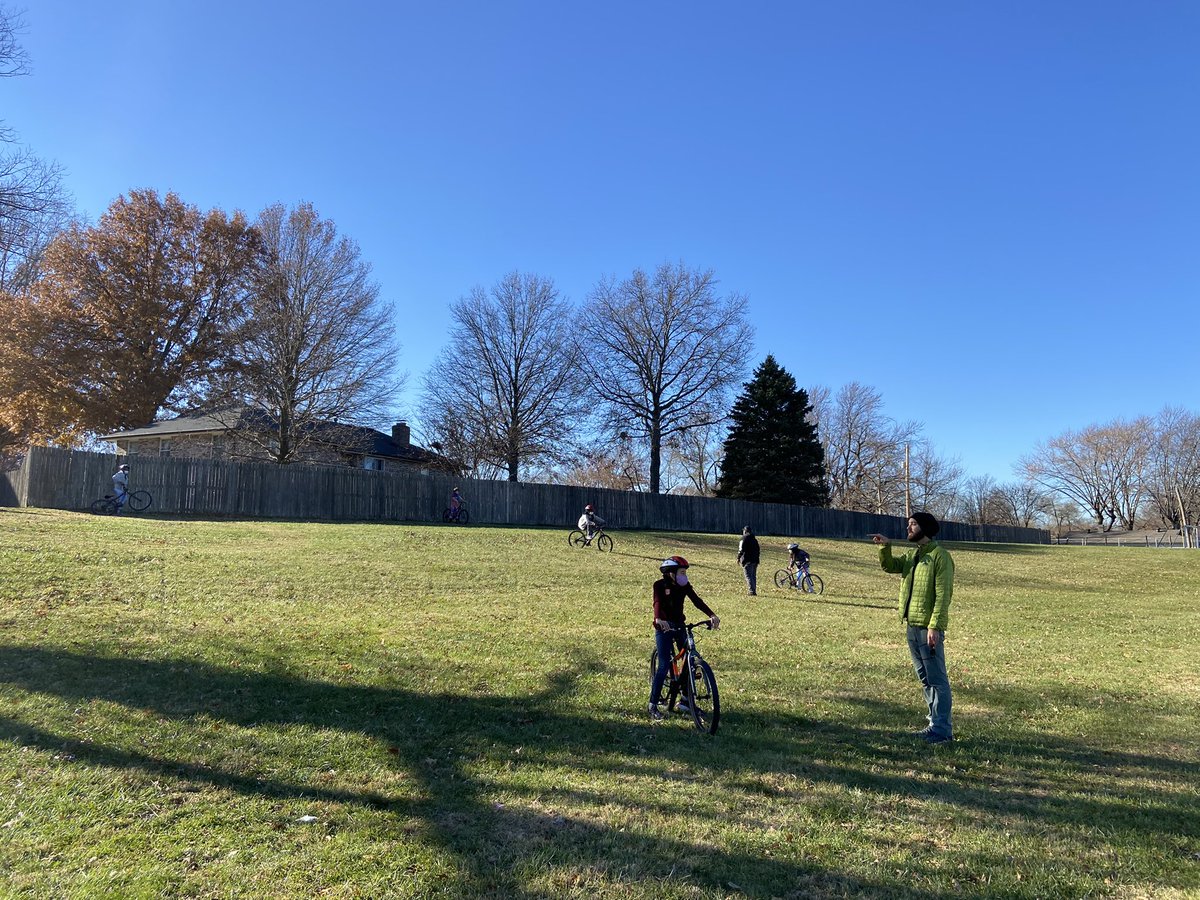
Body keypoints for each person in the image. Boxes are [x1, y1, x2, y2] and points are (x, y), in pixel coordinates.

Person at [871, 512, 956, 745]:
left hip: (928, 628)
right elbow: (889, 566)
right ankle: (933, 724)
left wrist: (935, 626)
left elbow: (943, 595)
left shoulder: (940, 557)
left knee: (937, 679)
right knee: (925, 678)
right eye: (908, 524)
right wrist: (885, 547)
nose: (908, 528)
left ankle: (942, 730)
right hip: (911, 625)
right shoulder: (913, 555)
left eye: (913, 524)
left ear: (925, 528)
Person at [648, 556, 720, 721]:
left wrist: (711, 614)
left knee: (690, 661)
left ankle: (686, 701)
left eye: (685, 572)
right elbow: (657, 602)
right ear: (671, 573)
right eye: (681, 572)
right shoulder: (659, 585)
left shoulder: (684, 586)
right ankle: (653, 704)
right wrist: (659, 619)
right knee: (664, 664)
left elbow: (697, 601)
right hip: (663, 627)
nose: (684, 575)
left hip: (680, 625)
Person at [736, 525, 760, 595]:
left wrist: (738, 557)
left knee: (748, 576)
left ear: (745, 531)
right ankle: (753, 590)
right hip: (755, 560)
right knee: (753, 576)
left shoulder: (744, 538)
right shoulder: (754, 539)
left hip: (747, 560)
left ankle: (752, 591)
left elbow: (741, 549)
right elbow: (758, 550)